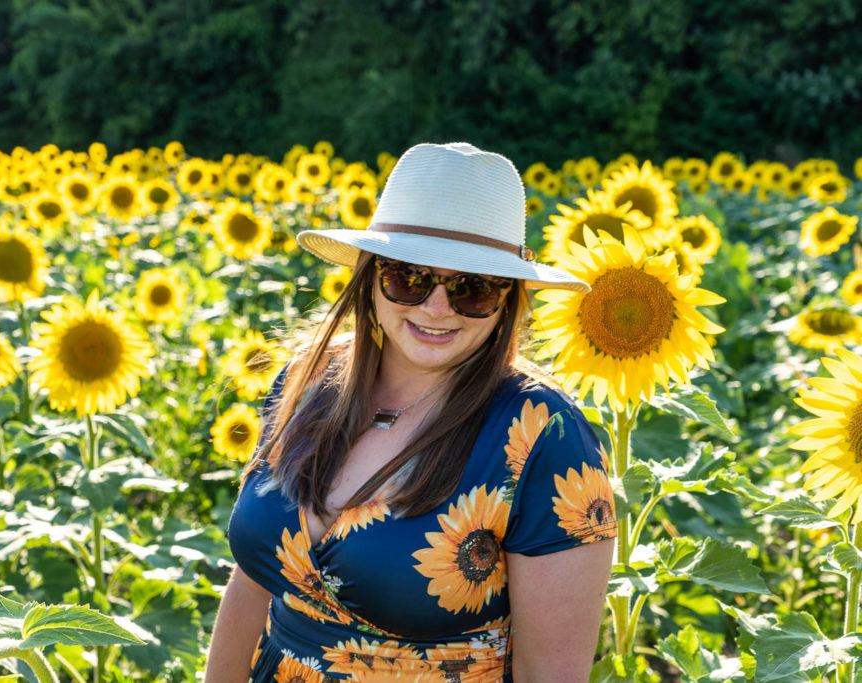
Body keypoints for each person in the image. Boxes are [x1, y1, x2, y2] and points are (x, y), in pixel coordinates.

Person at [205, 142, 618, 682]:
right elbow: (254, 581)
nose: (436, 308)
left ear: (509, 300)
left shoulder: (543, 437)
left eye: (473, 289)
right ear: (371, 276)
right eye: (410, 277)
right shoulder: (307, 382)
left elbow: (551, 675)